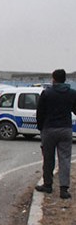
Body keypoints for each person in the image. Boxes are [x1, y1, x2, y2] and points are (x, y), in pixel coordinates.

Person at [35, 69, 76, 199]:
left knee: (48, 158)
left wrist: (41, 127)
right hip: (65, 129)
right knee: (64, 159)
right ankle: (64, 189)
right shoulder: (72, 93)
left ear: (54, 79)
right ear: (65, 79)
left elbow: (40, 112)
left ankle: (48, 185)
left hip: (49, 129)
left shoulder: (47, 93)